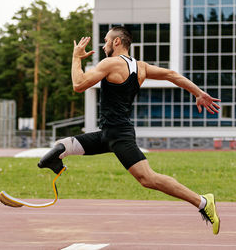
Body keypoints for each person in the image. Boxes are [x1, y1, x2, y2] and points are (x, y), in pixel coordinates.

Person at [38, 26, 221, 234]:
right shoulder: (140, 67)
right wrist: (197, 92)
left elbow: (78, 84)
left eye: (106, 40)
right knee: (61, 147)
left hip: (119, 135)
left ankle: (203, 202)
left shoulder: (110, 63)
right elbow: (171, 74)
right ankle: (55, 161)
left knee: (148, 179)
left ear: (117, 42)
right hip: (107, 134)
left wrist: (76, 58)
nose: (104, 45)